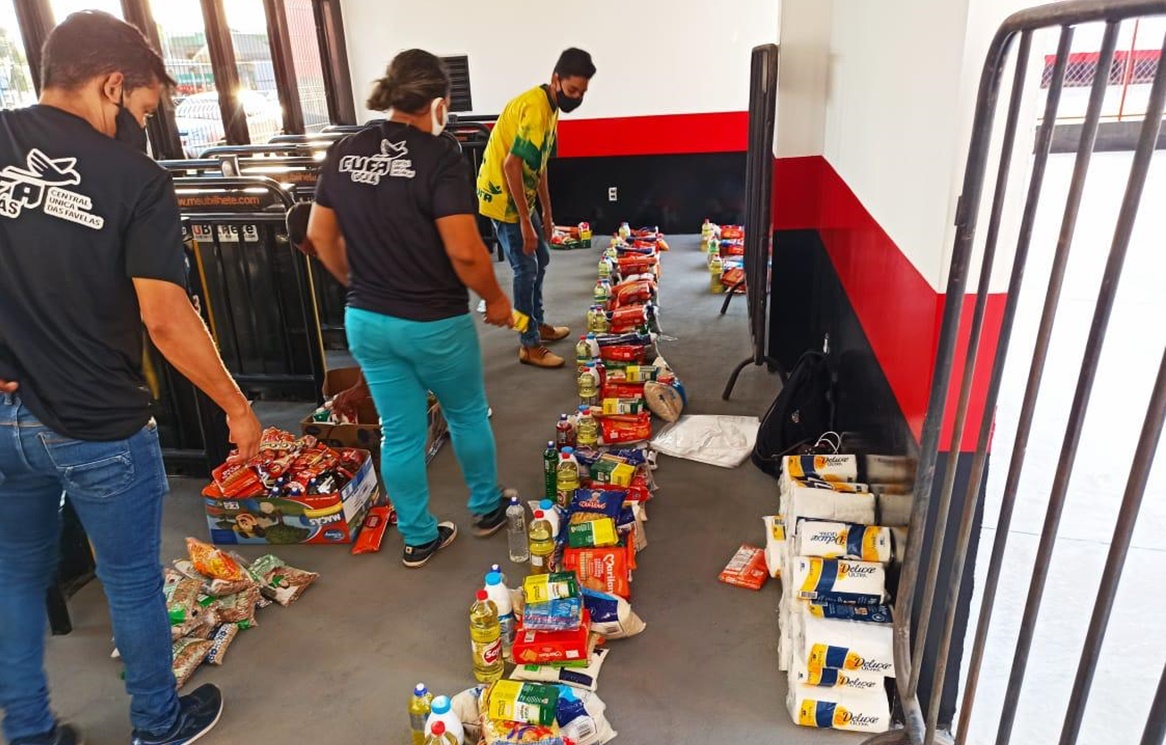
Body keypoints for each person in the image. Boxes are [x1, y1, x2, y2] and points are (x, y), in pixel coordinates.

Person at [0, 11, 262, 745]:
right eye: (145, 109)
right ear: (113, 85)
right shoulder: (135, 178)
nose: (143, 125)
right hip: (99, 423)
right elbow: (166, 318)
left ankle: (29, 731)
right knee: (132, 580)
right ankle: (157, 723)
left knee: (14, 576)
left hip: (6, 421)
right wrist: (237, 407)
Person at [307, 49, 515, 568]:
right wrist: (494, 298)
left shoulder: (346, 150)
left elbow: (318, 236)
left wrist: (357, 283)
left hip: (366, 320)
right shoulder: (439, 156)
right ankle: (486, 508)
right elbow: (465, 250)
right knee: (466, 414)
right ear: (438, 103)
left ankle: (419, 537)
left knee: (400, 432)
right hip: (433, 321)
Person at [477, 48, 596, 369]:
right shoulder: (535, 110)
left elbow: (539, 164)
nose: (576, 98)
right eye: (572, 90)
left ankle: (537, 324)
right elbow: (511, 165)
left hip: (519, 192)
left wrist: (547, 213)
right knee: (525, 268)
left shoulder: (551, 107)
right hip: (503, 196)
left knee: (541, 258)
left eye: (582, 93)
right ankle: (528, 343)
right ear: (556, 79)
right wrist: (525, 222)